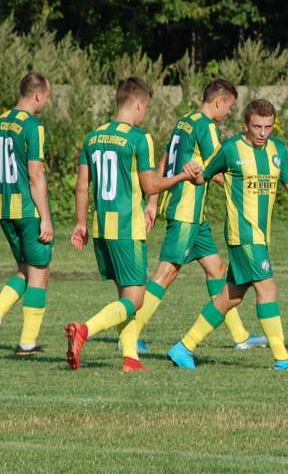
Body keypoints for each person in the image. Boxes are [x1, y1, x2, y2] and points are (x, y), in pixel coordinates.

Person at [115, 80, 267, 365]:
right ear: (219, 102)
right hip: (186, 210)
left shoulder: (185, 122)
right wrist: (248, 188)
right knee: (166, 273)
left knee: (217, 270)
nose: (229, 113)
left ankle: (241, 337)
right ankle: (129, 335)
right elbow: (218, 167)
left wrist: (153, 202)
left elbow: (164, 159)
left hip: (195, 216)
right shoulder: (206, 126)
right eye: (230, 107)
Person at [166, 98, 288, 372]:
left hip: (261, 235)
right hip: (243, 235)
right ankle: (282, 358)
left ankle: (183, 347)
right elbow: (203, 175)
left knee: (231, 297)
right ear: (245, 125)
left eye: (268, 127)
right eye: (257, 126)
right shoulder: (230, 149)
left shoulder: (278, 150)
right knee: (268, 288)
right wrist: (188, 168)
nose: (262, 133)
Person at [65, 77, 201, 372]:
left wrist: (80, 223)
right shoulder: (139, 138)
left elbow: (81, 187)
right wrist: (182, 177)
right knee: (136, 301)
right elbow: (151, 186)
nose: (145, 113)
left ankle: (131, 358)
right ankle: (84, 329)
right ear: (139, 104)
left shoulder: (93, 137)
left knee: (124, 297)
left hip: (101, 227)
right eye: (146, 107)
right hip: (127, 229)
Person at [0, 72, 54, 356]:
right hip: (27, 209)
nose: (46, 101)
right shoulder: (33, 127)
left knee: (24, 269)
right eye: (47, 96)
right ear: (37, 94)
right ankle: (27, 343)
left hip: (5, 206)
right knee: (40, 272)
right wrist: (45, 217)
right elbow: (35, 176)